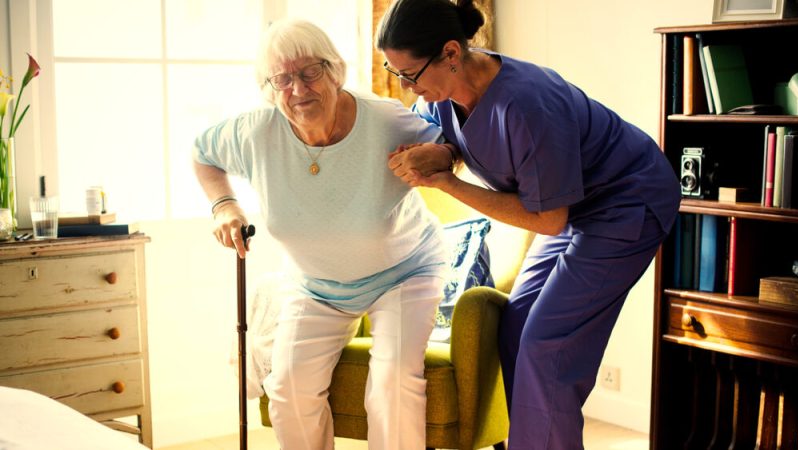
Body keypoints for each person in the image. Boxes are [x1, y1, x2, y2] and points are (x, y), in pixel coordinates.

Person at [375, 1, 681, 449]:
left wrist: (445, 183)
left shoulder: (527, 103)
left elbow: (548, 219)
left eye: (410, 74)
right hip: (574, 210)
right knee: (516, 327)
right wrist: (441, 156)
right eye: (393, 71)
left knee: (548, 343)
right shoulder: (444, 95)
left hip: (626, 201)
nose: (404, 86)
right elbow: (450, 141)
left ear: (451, 53)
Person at [193, 19, 452, 450]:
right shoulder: (256, 132)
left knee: (391, 384)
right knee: (289, 390)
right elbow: (202, 153)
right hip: (315, 284)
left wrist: (441, 155)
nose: (297, 89)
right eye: (282, 79)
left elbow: (453, 147)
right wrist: (224, 204)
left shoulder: (387, 121)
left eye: (310, 72)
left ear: (336, 71)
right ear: (269, 88)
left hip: (404, 273)